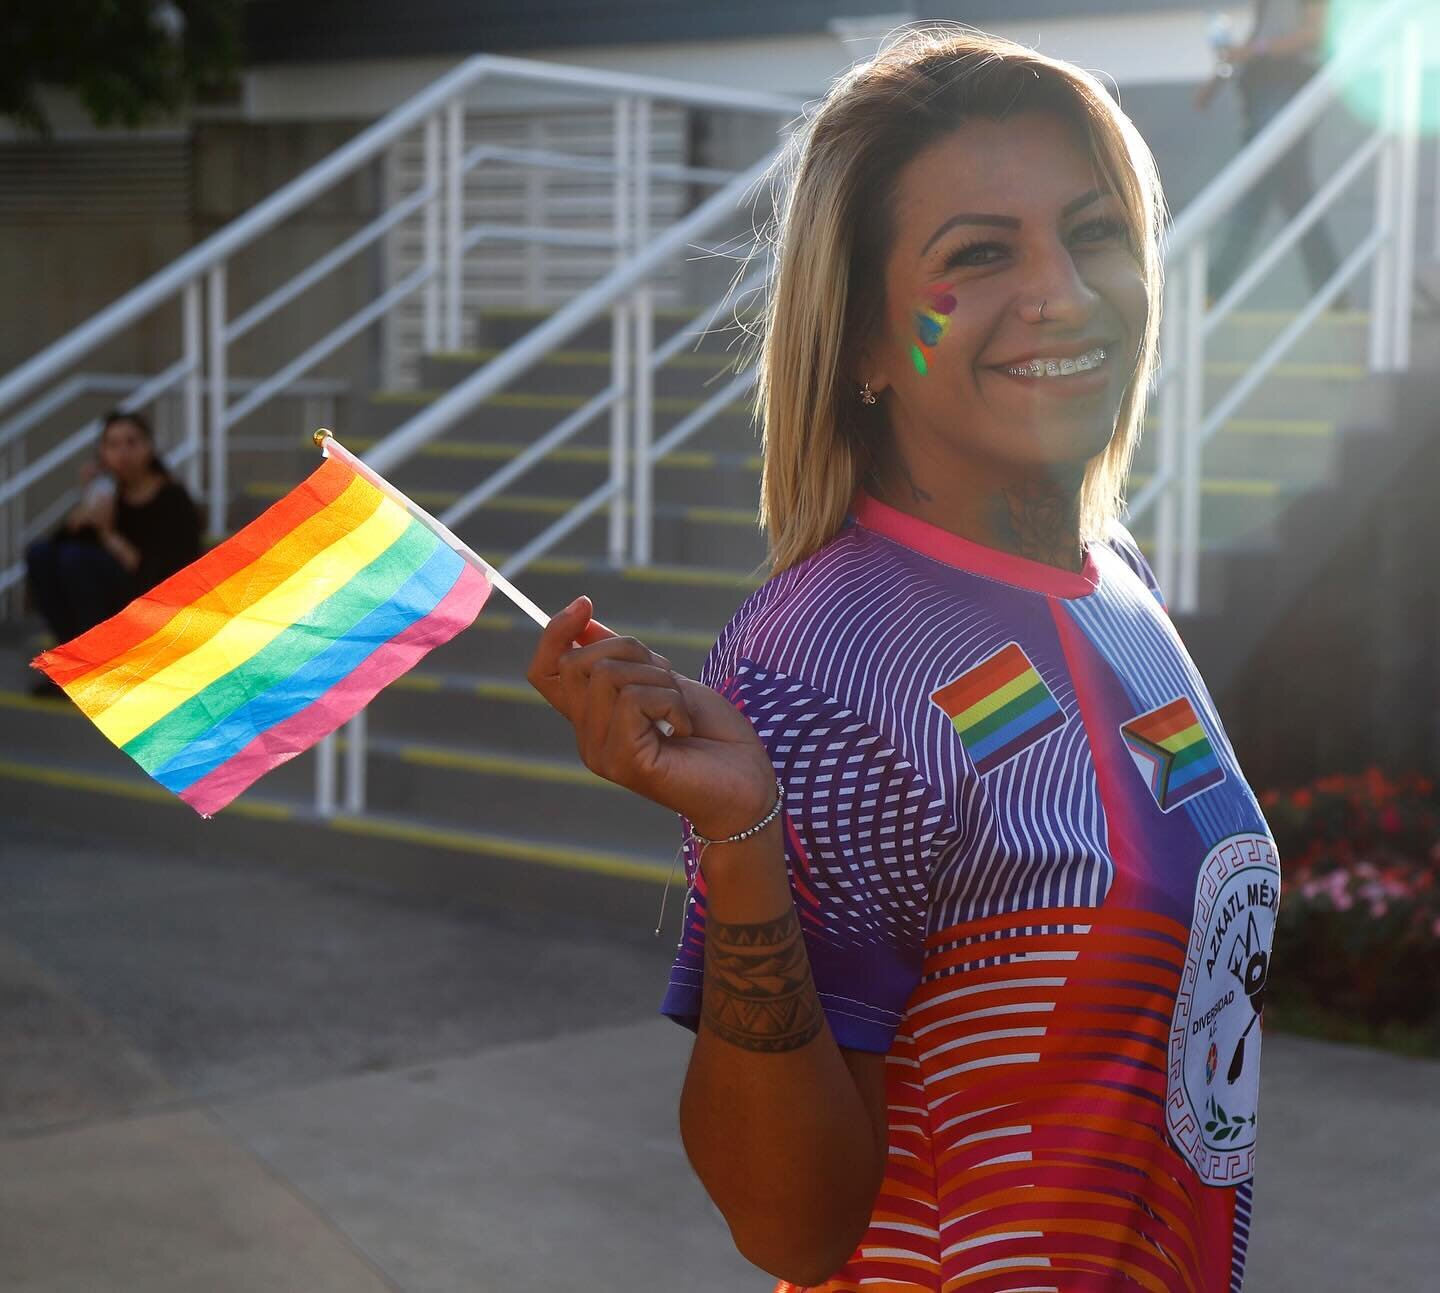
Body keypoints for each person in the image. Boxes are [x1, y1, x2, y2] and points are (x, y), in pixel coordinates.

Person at [530, 27, 1279, 1292]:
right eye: (979, 255)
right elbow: (791, 1227)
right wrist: (744, 837)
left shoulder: (1115, 578)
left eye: (1093, 233)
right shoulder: (825, 666)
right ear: (866, 346)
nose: (1064, 290)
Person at [25, 410, 201, 696]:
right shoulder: (108, 494)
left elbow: (163, 578)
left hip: (157, 607)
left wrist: (109, 535)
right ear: (102, 453)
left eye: (132, 443)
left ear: (149, 447)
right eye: (113, 445)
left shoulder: (172, 498)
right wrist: (81, 513)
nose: (123, 453)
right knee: (40, 553)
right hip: (113, 597)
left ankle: (101, 669)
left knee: (76, 561)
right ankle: (74, 667)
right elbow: (59, 553)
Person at [1194, 0, 1349, 307]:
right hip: (1262, 92)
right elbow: (1258, 37)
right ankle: (1334, 290)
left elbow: (1313, 33)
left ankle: (1215, 287)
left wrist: (1254, 51)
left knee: (1255, 188)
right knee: (1292, 194)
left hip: (1288, 88)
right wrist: (1216, 81)